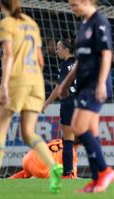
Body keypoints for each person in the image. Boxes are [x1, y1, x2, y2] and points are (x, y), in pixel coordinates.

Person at [0, 0, 63, 194]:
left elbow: (8, 55)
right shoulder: (31, 23)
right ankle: (53, 166)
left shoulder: (6, 24)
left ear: (0, 4)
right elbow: (40, 60)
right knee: (28, 132)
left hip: (17, 80)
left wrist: (5, 85)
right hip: (36, 82)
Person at [58, 0, 114, 193]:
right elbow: (80, 61)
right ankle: (95, 179)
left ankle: (105, 170)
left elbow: (107, 55)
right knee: (91, 130)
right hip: (83, 84)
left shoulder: (100, 22)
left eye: (75, 4)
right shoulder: (82, 25)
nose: (72, 8)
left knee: (77, 126)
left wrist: (100, 83)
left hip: (95, 83)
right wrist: (66, 83)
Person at [42, 39, 77, 178]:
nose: (57, 51)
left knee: (68, 139)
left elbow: (58, 88)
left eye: (59, 48)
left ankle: (68, 172)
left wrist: (46, 103)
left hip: (69, 103)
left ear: (66, 49)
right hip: (82, 104)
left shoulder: (65, 65)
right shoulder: (80, 62)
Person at [10, 139, 78, 179]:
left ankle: (9, 179)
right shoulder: (71, 152)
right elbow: (71, 175)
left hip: (28, 158)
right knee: (64, 173)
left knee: (26, 174)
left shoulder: (57, 140)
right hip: (42, 168)